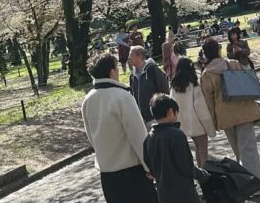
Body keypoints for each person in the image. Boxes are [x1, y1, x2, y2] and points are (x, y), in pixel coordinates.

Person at [81, 53, 157, 203]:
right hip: (132, 172)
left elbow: (91, 137)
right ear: (112, 72)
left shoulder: (88, 99)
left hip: (107, 174)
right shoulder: (122, 96)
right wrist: (150, 167)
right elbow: (138, 136)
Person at [199, 39, 260, 181]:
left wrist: (214, 122)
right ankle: (256, 182)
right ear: (218, 50)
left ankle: (246, 181)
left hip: (224, 116)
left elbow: (209, 102)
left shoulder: (206, 75)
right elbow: (248, 81)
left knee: (238, 150)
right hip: (244, 110)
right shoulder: (233, 64)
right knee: (248, 149)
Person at [143, 94, 210, 203]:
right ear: (170, 111)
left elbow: (149, 164)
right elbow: (186, 166)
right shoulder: (177, 135)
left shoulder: (149, 138)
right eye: (176, 113)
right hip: (183, 192)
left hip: (163, 193)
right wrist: (203, 175)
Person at [169, 57, 216, 167]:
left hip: (181, 124)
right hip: (197, 123)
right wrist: (209, 127)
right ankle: (205, 174)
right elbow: (201, 109)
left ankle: (199, 172)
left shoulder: (174, 87)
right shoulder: (194, 86)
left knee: (195, 150)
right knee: (202, 150)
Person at [129, 46, 170, 129]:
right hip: (141, 119)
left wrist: (162, 113)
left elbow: (165, 90)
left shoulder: (153, 70)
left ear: (140, 56)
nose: (128, 57)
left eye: (131, 55)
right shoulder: (132, 76)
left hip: (155, 118)